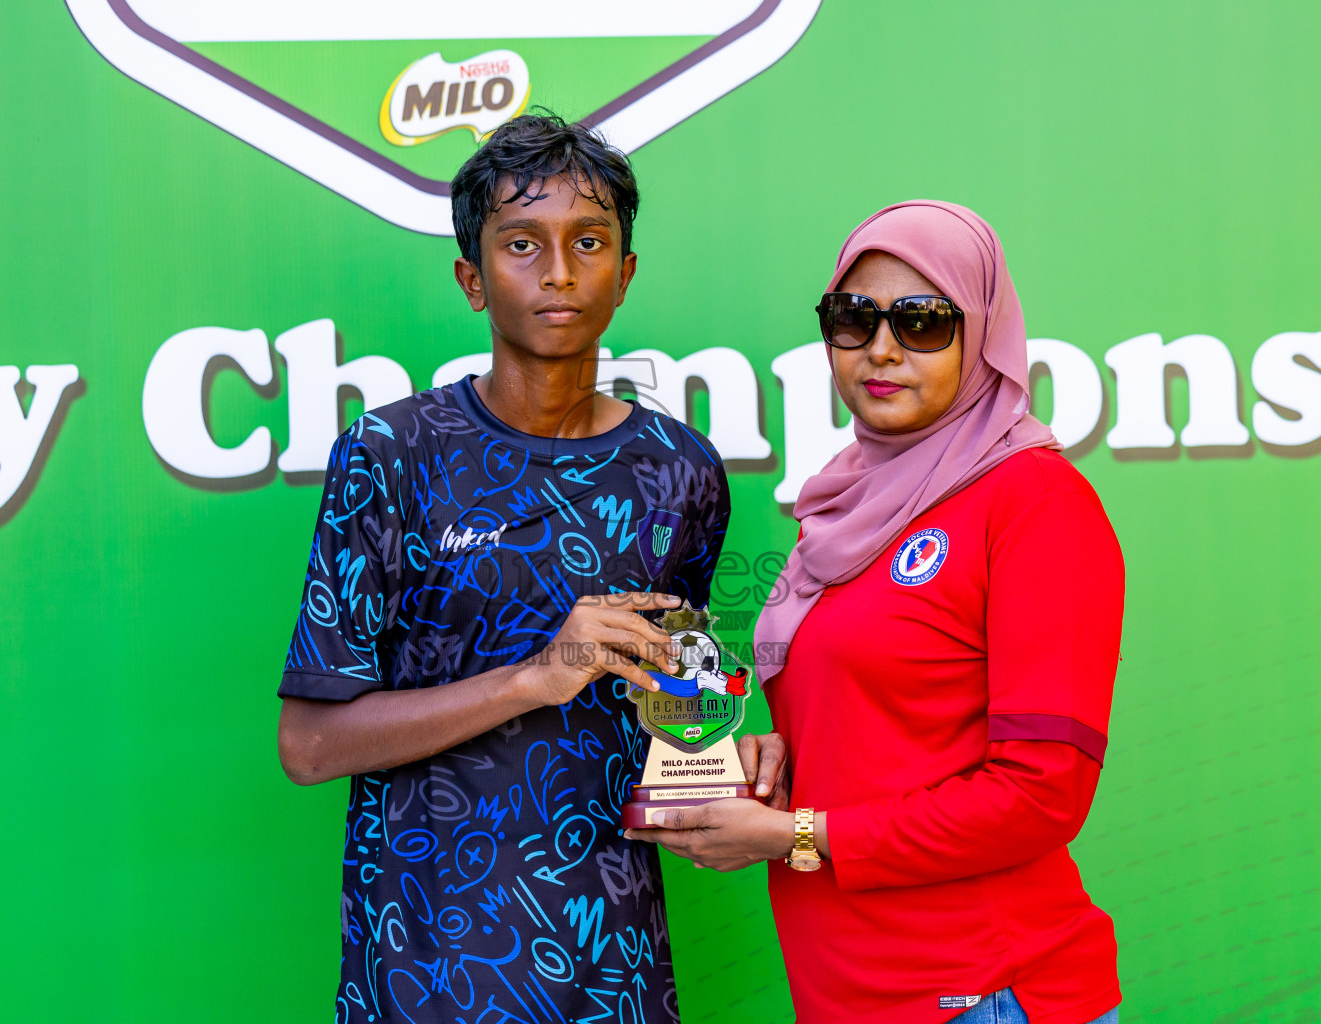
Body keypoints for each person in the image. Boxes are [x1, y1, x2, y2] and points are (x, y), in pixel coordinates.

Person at [276, 112, 731, 1024]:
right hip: (424, 970)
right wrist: (537, 676)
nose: (558, 272)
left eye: (588, 242)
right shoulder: (393, 453)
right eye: (522, 243)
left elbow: (680, 718)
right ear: (472, 279)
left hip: (615, 971)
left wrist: (725, 764)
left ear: (624, 273)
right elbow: (310, 745)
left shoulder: (683, 472)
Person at [632, 201, 1124, 1024]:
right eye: (854, 318)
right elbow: (881, 724)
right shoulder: (846, 501)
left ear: (983, 335)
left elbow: (1041, 796)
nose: (883, 348)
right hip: (850, 992)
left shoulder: (1035, 503)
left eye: (925, 321)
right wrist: (778, 764)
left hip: (983, 993)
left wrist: (794, 835)